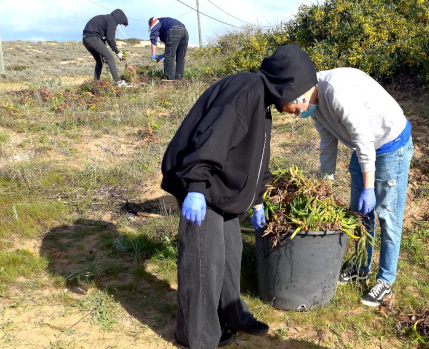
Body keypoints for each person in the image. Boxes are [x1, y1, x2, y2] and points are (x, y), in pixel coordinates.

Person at [161, 44, 318, 348]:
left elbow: (254, 158)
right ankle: (197, 335)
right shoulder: (244, 91)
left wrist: (257, 199)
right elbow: (212, 138)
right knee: (203, 262)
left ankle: (232, 315)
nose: (302, 108)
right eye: (302, 99)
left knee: (230, 254)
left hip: (222, 188)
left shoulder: (262, 101)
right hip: (202, 186)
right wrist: (195, 186)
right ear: (288, 85)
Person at [282, 67, 413, 307]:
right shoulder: (314, 104)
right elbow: (327, 142)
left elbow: (364, 138)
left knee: (388, 216)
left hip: (390, 144)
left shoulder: (336, 91)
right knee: (360, 216)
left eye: (293, 112)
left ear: (299, 97)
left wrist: (369, 187)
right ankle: (361, 267)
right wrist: (326, 182)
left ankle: (385, 279)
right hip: (364, 147)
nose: (295, 116)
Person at [82, 9, 130, 87]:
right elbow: (110, 39)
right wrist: (117, 52)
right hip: (93, 38)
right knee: (110, 58)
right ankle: (118, 82)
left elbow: (103, 39)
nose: (118, 25)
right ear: (119, 18)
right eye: (120, 23)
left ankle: (96, 82)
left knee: (99, 60)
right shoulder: (112, 21)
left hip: (85, 39)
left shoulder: (106, 18)